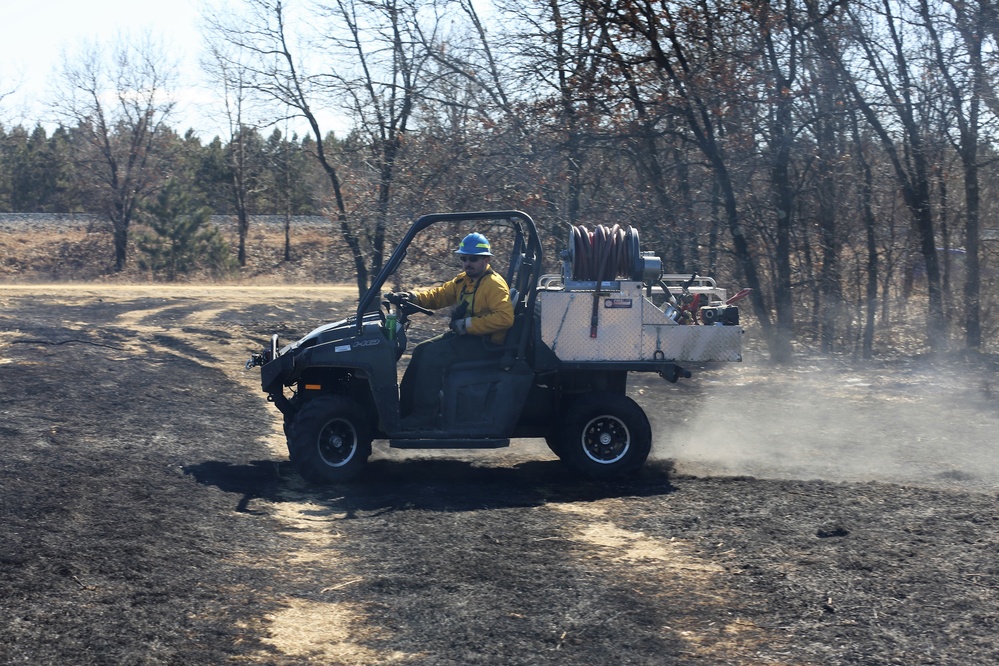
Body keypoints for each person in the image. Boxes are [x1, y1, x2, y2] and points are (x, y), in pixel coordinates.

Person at [388, 232, 514, 430]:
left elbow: (505, 318)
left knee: (432, 356)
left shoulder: (494, 285)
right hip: (468, 339)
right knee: (421, 350)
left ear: (486, 260)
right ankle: (405, 410)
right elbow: (439, 296)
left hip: (486, 345)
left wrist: (467, 325)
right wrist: (412, 297)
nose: (467, 263)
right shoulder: (464, 281)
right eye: (464, 258)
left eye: (473, 259)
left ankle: (424, 416)